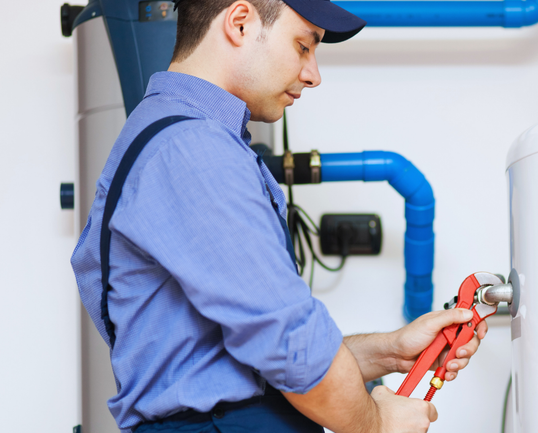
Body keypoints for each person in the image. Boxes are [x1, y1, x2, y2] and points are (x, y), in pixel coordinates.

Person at [71, 0, 488, 432]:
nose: (314, 74)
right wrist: (377, 424)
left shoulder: (176, 138)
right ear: (240, 23)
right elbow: (289, 343)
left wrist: (391, 351)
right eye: (303, 46)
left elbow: (233, 363)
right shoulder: (194, 148)